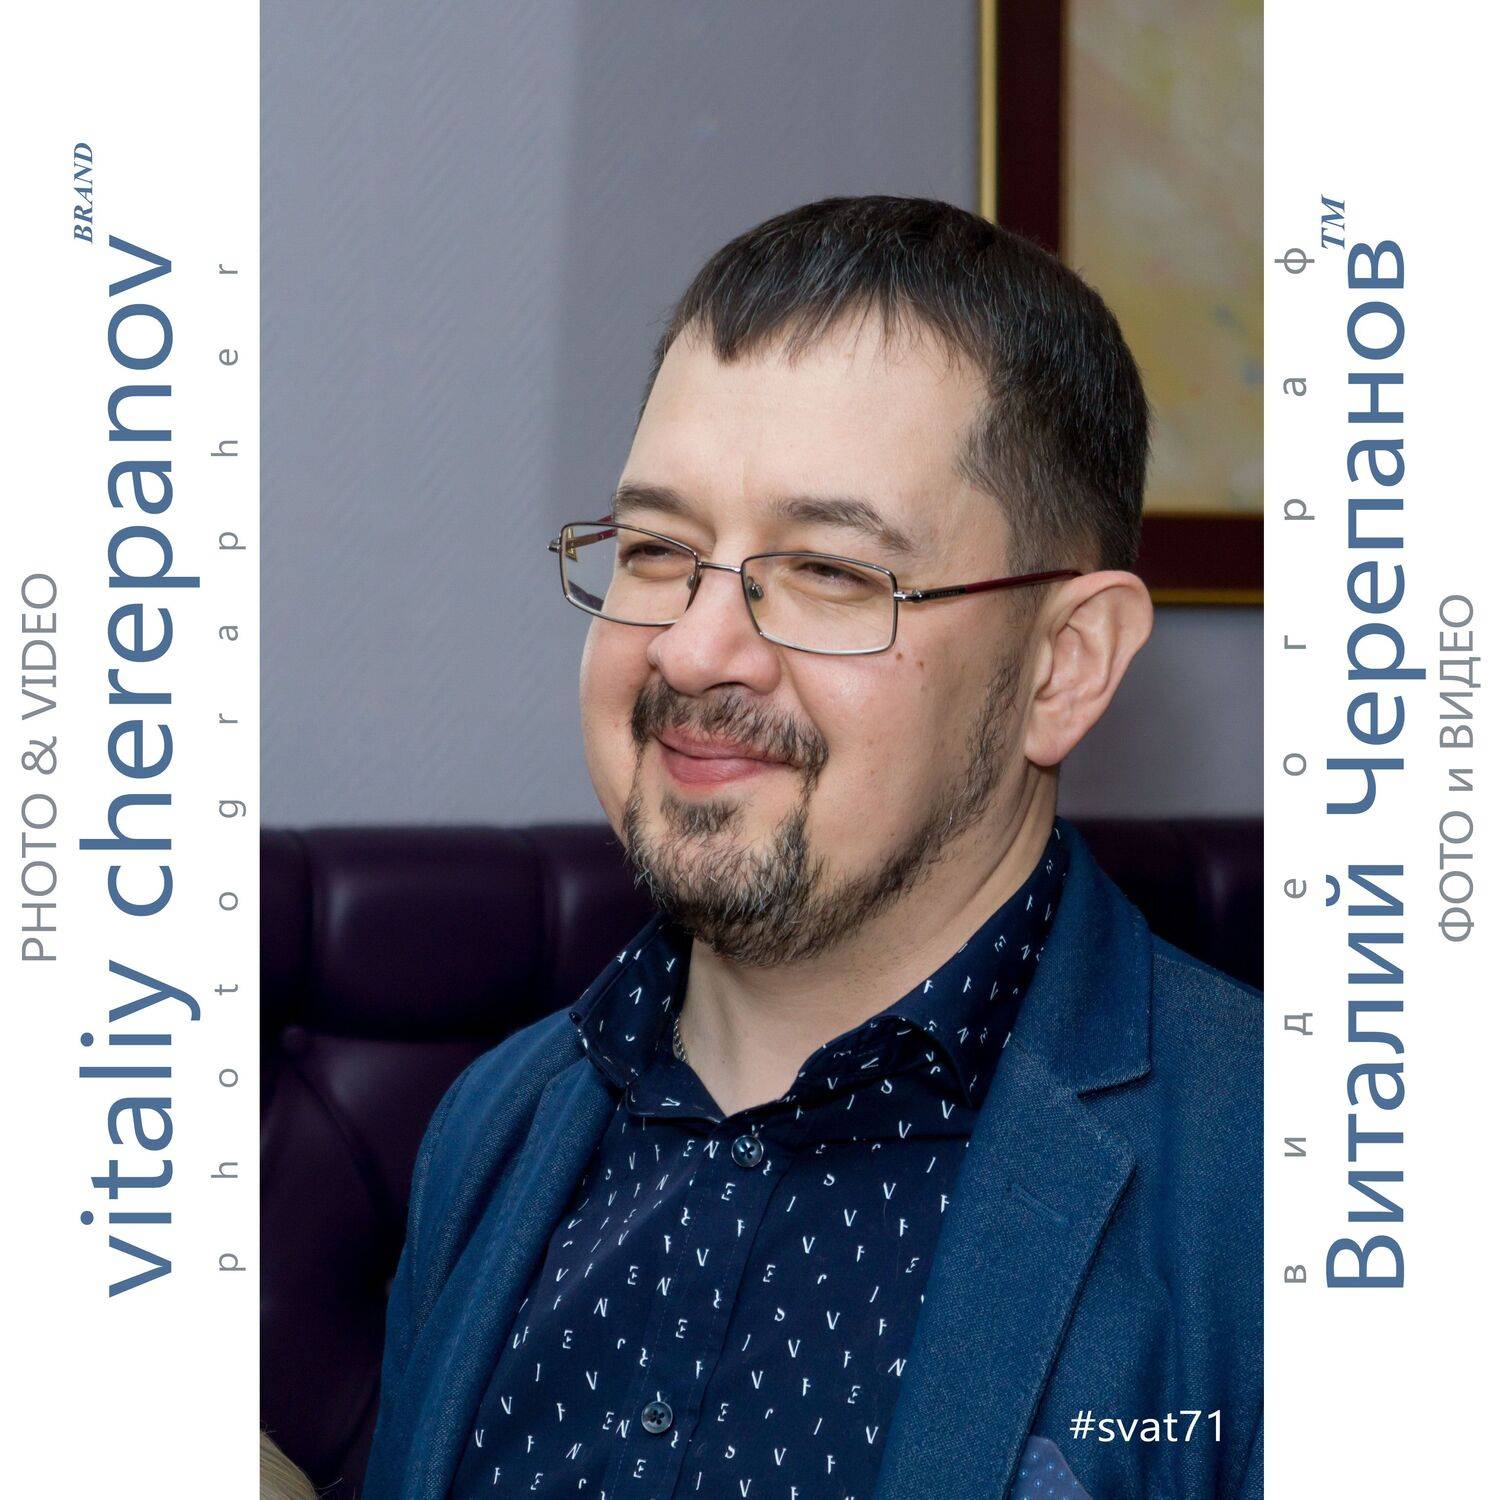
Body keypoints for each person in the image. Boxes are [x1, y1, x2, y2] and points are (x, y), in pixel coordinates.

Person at [363, 195, 1261, 1500]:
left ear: (1061, 665)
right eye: (657, 550)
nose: (692, 649)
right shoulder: (494, 1126)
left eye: (831, 572)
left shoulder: (1305, 1192)